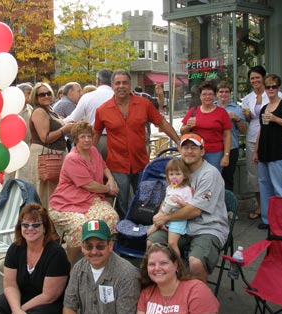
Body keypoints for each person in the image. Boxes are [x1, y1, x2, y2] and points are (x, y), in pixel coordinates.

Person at [93, 69, 180, 218]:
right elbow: (95, 134)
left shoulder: (144, 104)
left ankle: (142, 228)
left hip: (141, 162)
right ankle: (126, 231)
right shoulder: (102, 110)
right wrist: (89, 156)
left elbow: (162, 123)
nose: (121, 86)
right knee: (123, 201)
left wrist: (179, 141)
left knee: (144, 199)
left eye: (125, 83)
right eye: (118, 83)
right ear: (112, 86)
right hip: (117, 164)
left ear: (130, 84)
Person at [148, 133, 229, 282]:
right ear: (180, 149)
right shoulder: (179, 169)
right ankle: (169, 289)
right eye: (185, 147)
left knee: (195, 263)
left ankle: (198, 300)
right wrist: (160, 215)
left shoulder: (209, 174)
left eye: (194, 148)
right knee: (152, 245)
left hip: (208, 226)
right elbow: (169, 196)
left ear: (202, 151)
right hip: (179, 224)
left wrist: (166, 218)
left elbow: (195, 210)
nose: (189, 151)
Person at [48, 121, 119, 265]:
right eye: (82, 137)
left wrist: (111, 179)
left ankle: (98, 257)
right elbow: (89, 185)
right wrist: (109, 189)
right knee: (81, 227)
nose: (87, 140)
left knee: (111, 217)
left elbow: (104, 166)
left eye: (89, 136)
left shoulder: (93, 151)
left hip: (91, 200)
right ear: (75, 139)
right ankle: (68, 264)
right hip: (66, 202)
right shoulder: (72, 158)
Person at [0, 203, 70, 314]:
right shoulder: (15, 249)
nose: (30, 229)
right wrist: (16, 309)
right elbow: (10, 285)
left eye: (35, 225)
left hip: (48, 304)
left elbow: (49, 296)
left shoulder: (56, 254)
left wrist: (20, 311)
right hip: (21, 296)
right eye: (25, 225)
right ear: (20, 227)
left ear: (44, 228)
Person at [63, 219, 141, 314]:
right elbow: (69, 307)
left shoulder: (128, 275)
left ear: (110, 245)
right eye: (88, 246)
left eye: (100, 246)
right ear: (82, 247)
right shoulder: (78, 268)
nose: (94, 252)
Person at [253, 74, 282, 230]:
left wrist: (276, 119)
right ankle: (268, 219)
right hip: (264, 151)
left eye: (274, 86)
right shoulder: (264, 108)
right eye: (268, 87)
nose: (271, 89)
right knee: (265, 186)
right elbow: (261, 131)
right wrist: (256, 151)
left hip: (278, 151)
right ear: (264, 89)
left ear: (278, 88)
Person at [241, 66, 282, 220]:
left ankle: (279, 210)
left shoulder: (275, 93)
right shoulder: (247, 98)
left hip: (272, 138)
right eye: (252, 78)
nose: (255, 81)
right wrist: (245, 116)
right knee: (255, 176)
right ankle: (261, 207)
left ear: (264, 78)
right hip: (253, 137)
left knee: (274, 175)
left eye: (258, 77)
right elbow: (247, 119)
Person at [137, 243, 219, 314]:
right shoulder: (146, 294)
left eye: (163, 263)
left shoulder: (196, 290)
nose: (157, 268)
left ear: (175, 265)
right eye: (152, 264)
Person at [28, 82, 74, 209]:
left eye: (48, 93)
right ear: (35, 97)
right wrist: (65, 129)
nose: (46, 96)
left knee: (54, 193)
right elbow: (45, 137)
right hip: (46, 156)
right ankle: (46, 224)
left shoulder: (50, 110)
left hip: (54, 155)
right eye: (42, 94)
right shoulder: (39, 111)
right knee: (46, 195)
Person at [180, 80, 232, 172]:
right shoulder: (194, 111)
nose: (207, 97)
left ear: (215, 95)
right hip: (195, 152)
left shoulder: (221, 112)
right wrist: (188, 126)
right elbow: (182, 131)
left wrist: (226, 155)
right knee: (195, 178)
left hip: (215, 153)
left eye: (210, 94)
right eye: (204, 94)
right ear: (200, 96)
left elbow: (227, 135)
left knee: (213, 179)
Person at [146, 158, 193, 258]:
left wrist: (180, 202)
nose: (174, 177)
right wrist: (161, 216)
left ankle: (179, 266)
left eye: (177, 174)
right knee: (148, 233)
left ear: (184, 176)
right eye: (171, 174)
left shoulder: (186, 190)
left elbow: (189, 208)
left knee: (172, 243)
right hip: (166, 215)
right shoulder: (170, 188)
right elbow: (165, 202)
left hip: (178, 219)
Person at [64, 69, 114, 160]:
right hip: (117, 139)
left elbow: (74, 118)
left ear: (98, 81)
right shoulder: (118, 97)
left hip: (95, 139)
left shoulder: (88, 97)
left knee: (93, 170)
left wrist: (60, 122)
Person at [216, 81, 247, 192]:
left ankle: (229, 207)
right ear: (217, 93)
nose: (224, 94)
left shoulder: (236, 109)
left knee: (228, 179)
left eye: (226, 92)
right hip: (214, 148)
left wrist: (237, 119)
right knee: (213, 179)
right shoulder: (212, 107)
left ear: (230, 94)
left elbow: (245, 131)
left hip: (231, 148)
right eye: (221, 92)